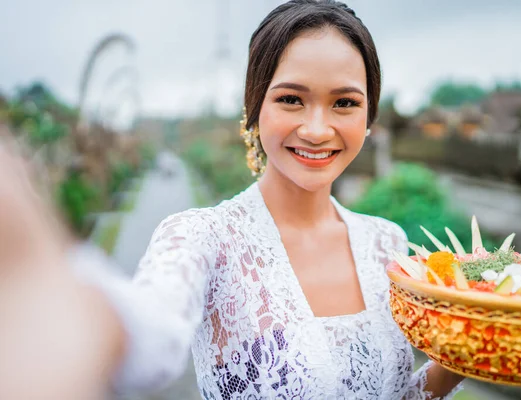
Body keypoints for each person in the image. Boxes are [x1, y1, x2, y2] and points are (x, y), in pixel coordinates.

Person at [0, 1, 465, 399]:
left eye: (344, 103)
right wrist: (44, 286)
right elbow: (154, 335)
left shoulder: (388, 244)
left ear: (369, 118)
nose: (319, 129)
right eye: (291, 100)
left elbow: (398, 392)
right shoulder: (204, 237)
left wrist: (470, 352)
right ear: (254, 107)